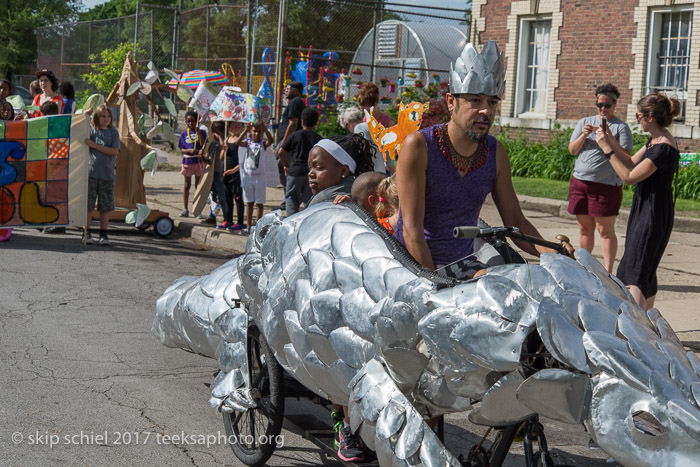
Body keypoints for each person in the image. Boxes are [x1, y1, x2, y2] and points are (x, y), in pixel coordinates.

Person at [395, 41, 572, 281]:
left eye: (492, 102)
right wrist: (437, 285)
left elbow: (515, 221)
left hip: (464, 265)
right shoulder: (419, 146)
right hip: (412, 266)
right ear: (451, 102)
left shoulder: (494, 152)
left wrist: (551, 250)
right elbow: (411, 230)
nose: (485, 111)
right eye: (475, 100)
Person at [596, 93, 681, 311]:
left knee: (637, 268)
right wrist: (611, 140)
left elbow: (629, 177)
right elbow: (632, 162)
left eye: (638, 115)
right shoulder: (655, 141)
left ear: (650, 117)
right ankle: (646, 324)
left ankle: (635, 326)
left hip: (652, 213)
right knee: (642, 268)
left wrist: (606, 150)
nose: (637, 120)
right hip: (648, 209)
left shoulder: (663, 148)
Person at [568, 83, 633, 272]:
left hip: (606, 185)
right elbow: (572, 150)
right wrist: (584, 134)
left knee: (604, 230)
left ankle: (608, 272)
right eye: (599, 105)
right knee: (584, 228)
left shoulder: (621, 128)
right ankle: (585, 268)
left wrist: (610, 139)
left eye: (607, 105)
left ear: (615, 105)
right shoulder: (584, 122)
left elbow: (627, 157)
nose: (603, 109)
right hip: (580, 181)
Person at [83, 104, 120, 246]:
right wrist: (86, 115)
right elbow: (78, 125)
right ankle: (87, 233)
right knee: (88, 206)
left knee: (105, 207)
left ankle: (104, 234)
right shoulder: (92, 130)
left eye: (108, 116)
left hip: (107, 175)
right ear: (97, 117)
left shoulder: (113, 133)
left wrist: (95, 145)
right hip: (91, 174)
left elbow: (114, 151)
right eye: (103, 116)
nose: (106, 119)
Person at [279, 107, 322, 215]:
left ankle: (291, 223)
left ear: (302, 121)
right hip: (310, 173)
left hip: (294, 171)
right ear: (316, 122)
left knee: (292, 198)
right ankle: (307, 223)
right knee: (309, 200)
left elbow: (281, 152)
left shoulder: (295, 135)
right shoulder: (318, 139)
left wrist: (286, 165)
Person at [235, 121, 274, 233]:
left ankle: (258, 226)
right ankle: (248, 226)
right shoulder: (247, 143)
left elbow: (271, 141)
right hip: (248, 177)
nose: (257, 134)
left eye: (259, 132)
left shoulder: (263, 144)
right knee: (249, 202)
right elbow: (237, 142)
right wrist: (245, 130)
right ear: (250, 132)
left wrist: (265, 128)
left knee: (259, 203)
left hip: (259, 178)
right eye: (254, 131)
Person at [338, 106, 392, 173]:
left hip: (370, 174)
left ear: (349, 124)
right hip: (382, 172)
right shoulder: (373, 126)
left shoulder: (358, 129)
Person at [276, 81, 306, 198]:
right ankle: (290, 196)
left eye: (288, 88)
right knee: (284, 168)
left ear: (296, 91)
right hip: (291, 141)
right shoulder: (296, 102)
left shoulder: (295, 102)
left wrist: (284, 144)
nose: (286, 91)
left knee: (283, 166)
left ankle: (290, 196)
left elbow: (293, 124)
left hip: (289, 142)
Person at [177, 110, 207, 217]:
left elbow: (204, 145)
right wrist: (189, 151)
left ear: (197, 122)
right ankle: (185, 208)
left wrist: (199, 133)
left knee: (198, 186)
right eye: (188, 121)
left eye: (193, 121)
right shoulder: (183, 134)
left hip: (198, 162)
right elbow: (181, 149)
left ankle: (197, 209)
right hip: (188, 162)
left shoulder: (202, 133)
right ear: (185, 122)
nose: (191, 124)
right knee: (186, 185)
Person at [200, 121, 228, 227]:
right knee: (212, 195)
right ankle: (212, 216)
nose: (213, 134)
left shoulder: (224, 142)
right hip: (212, 173)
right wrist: (202, 156)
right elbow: (207, 159)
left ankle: (226, 217)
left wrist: (220, 138)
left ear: (222, 132)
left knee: (222, 196)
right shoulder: (213, 143)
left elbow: (224, 147)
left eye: (216, 132)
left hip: (221, 173)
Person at [221, 122, 245, 231]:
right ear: (230, 127)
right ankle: (228, 219)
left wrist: (235, 170)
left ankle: (240, 222)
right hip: (226, 172)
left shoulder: (242, 141)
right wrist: (224, 149)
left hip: (236, 172)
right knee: (227, 197)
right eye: (234, 125)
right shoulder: (227, 139)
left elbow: (244, 158)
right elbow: (222, 157)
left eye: (239, 125)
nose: (236, 127)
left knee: (238, 197)